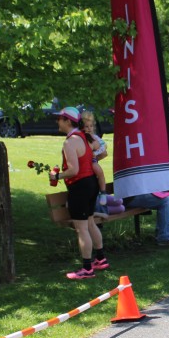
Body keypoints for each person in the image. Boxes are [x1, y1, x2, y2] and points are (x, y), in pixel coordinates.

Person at [54, 107, 109, 280]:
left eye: (59, 119)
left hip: (80, 187)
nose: (57, 121)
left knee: (82, 228)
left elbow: (73, 170)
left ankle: (87, 268)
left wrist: (56, 176)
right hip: (92, 184)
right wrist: (92, 160)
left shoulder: (70, 142)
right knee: (90, 223)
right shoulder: (86, 137)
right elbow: (100, 148)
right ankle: (100, 259)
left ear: (67, 121)